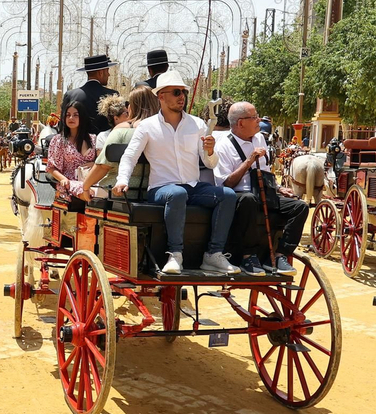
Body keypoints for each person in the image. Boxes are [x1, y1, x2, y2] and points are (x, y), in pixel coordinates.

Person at [113, 71, 242, 275]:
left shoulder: (197, 124)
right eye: (176, 92)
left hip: (193, 187)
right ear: (161, 96)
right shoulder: (147, 126)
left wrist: (210, 151)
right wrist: (122, 180)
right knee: (177, 193)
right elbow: (130, 156)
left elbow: (210, 163)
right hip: (161, 189)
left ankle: (213, 254)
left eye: (183, 92)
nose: (181, 96)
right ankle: (175, 254)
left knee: (228, 195)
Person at [217, 101, 308, 277]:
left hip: (264, 192)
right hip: (240, 196)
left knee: (300, 207)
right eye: (254, 117)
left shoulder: (259, 138)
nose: (259, 120)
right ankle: (248, 256)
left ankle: (280, 254)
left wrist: (279, 188)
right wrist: (249, 160)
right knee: (249, 199)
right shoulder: (223, 147)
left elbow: (265, 171)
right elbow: (226, 183)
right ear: (241, 123)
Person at [81, 86, 158, 196]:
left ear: (131, 107)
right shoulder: (162, 131)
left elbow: (102, 166)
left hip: (118, 190)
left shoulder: (120, 131)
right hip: (152, 190)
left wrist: (85, 187)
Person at [59, 53, 118, 139]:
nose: (108, 75)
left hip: (77, 144)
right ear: (101, 73)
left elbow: (63, 125)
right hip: (104, 144)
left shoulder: (71, 95)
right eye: (107, 71)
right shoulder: (112, 95)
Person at [46, 102, 98, 199]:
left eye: (75, 115)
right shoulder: (58, 140)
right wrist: (63, 179)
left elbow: (101, 163)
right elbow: (51, 168)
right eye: (68, 115)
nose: (71, 118)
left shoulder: (93, 139)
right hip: (69, 182)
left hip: (91, 180)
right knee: (86, 190)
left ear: (82, 117)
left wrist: (93, 164)